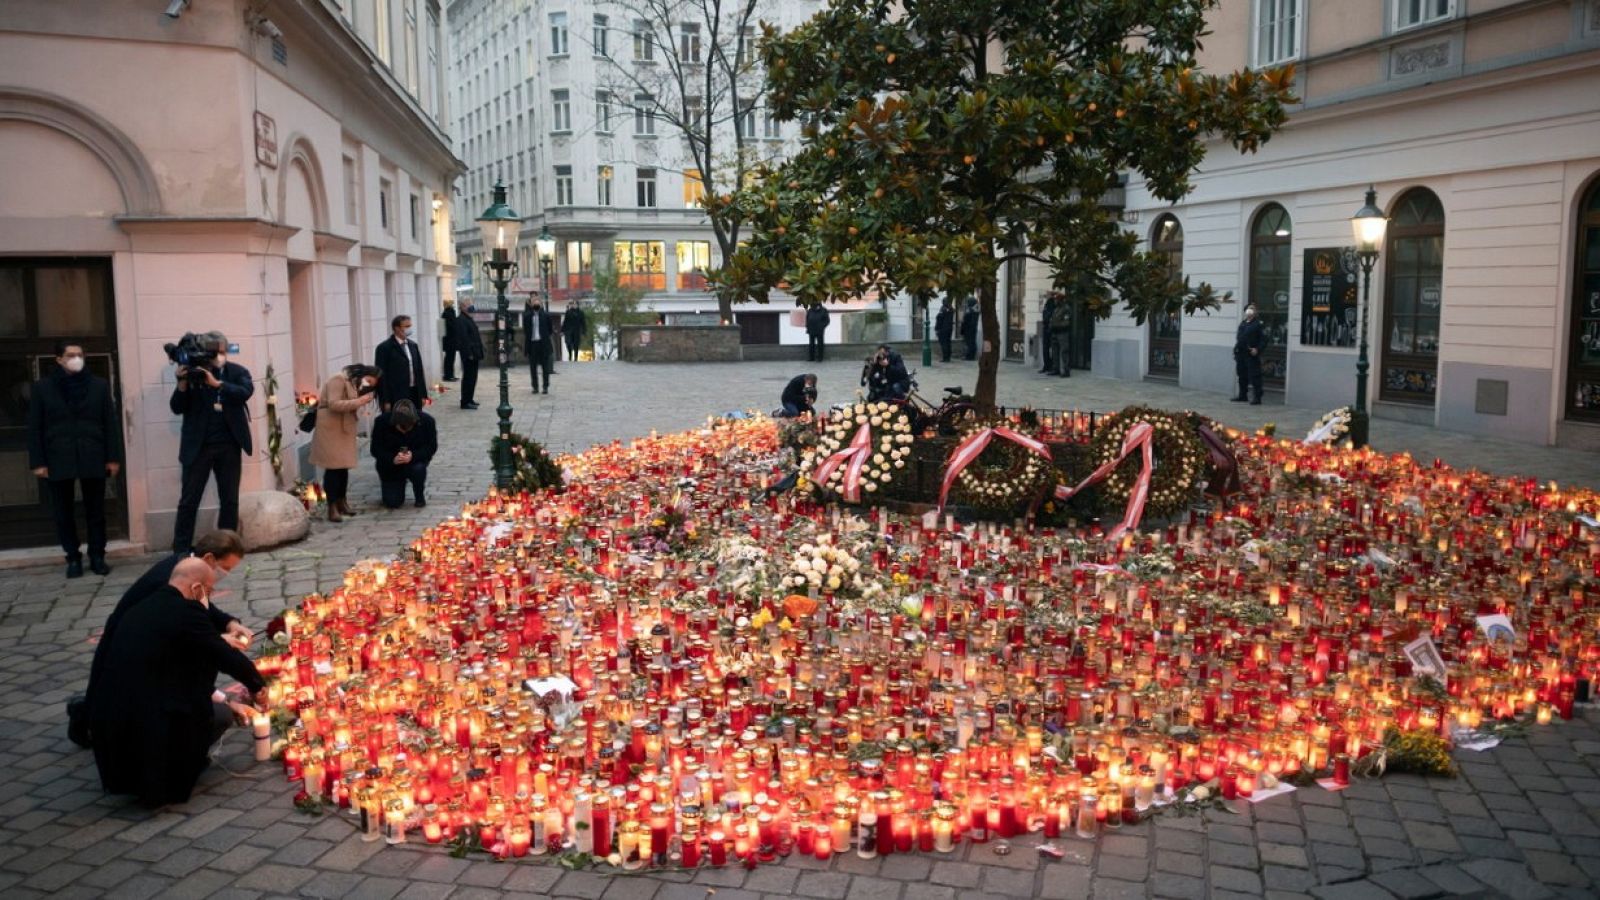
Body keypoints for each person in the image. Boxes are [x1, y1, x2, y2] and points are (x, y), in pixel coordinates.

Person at [90, 558, 266, 808]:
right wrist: (258, 686)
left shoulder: (144, 607)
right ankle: (172, 772)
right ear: (197, 588)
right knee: (218, 715)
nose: (209, 597)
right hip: (149, 721)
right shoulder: (186, 611)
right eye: (209, 590)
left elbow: (174, 669)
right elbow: (222, 654)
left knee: (214, 704)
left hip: (112, 721)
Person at [70, 530, 251, 747]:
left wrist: (229, 623)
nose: (225, 575)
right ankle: (88, 723)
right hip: (127, 646)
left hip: (145, 649)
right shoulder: (169, 580)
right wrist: (221, 643)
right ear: (210, 559)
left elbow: (202, 607)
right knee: (111, 698)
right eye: (226, 569)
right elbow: (180, 629)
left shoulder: (187, 569)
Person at [28, 341, 123, 578]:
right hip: (58, 456)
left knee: (96, 510)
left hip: (93, 454)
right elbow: (35, 427)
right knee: (63, 511)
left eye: (80, 354)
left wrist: (113, 458)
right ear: (59, 359)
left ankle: (97, 556)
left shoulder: (98, 386)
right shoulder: (43, 388)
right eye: (71, 355)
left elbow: (110, 424)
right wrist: (38, 462)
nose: (76, 358)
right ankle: (72, 558)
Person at [169, 331, 253, 554]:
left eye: (223, 351)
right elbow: (177, 407)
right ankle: (181, 547)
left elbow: (245, 391)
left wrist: (218, 384)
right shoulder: (193, 375)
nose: (220, 356)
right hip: (198, 447)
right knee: (189, 500)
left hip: (228, 445)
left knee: (229, 499)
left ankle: (227, 547)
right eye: (216, 352)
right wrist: (182, 384)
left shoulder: (236, 372)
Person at [309, 364, 380, 522]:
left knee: (343, 468)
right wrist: (359, 401)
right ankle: (332, 506)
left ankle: (342, 501)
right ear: (363, 373)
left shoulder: (353, 383)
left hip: (344, 429)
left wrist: (360, 402)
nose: (367, 384)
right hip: (331, 429)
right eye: (368, 380)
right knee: (333, 468)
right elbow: (334, 404)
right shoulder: (338, 380)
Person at [371, 399, 437, 509]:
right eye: (401, 428)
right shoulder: (381, 422)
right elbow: (375, 449)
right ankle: (396, 485)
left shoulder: (427, 421)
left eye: (408, 429)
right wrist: (392, 459)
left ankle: (419, 494)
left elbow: (431, 447)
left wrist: (413, 456)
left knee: (418, 469)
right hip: (391, 466)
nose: (404, 432)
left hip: (415, 462)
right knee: (392, 502)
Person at [374, 315, 428, 412]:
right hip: (396, 395)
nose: (409, 329)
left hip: (414, 392)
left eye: (410, 326)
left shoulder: (413, 346)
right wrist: (385, 400)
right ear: (397, 328)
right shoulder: (384, 348)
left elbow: (419, 371)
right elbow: (382, 376)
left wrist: (423, 395)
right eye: (406, 326)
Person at [1233, 303, 1266, 405]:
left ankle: (1257, 397)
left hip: (1251, 353)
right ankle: (1243, 395)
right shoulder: (1243, 323)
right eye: (1248, 309)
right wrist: (1236, 350)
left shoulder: (1258, 324)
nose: (1250, 310)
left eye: (1252, 309)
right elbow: (1239, 338)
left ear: (1256, 312)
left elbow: (1264, 340)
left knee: (1255, 376)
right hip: (1241, 353)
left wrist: (1257, 349)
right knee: (1241, 375)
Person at [522, 295, 555, 394]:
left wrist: (544, 337)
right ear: (531, 304)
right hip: (532, 344)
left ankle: (545, 386)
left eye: (538, 302)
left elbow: (550, 330)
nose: (536, 304)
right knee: (533, 367)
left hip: (543, 343)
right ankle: (535, 387)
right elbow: (526, 330)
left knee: (545, 367)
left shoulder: (546, 315)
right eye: (534, 302)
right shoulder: (527, 316)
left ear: (540, 304)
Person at [456, 300, 485, 409]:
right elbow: (464, 339)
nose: (471, 306)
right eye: (468, 304)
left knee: (473, 378)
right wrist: (469, 354)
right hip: (469, 354)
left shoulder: (469, 318)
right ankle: (465, 401)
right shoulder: (461, 320)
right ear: (462, 307)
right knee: (468, 378)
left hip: (475, 353)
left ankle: (470, 399)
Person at [1038, 292, 1059, 374]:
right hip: (1046, 328)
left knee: (1050, 349)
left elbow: (1050, 316)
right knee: (1046, 349)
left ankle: (1050, 366)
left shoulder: (1052, 305)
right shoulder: (1047, 304)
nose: (1046, 296)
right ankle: (1047, 366)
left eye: (1048, 295)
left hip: (1050, 328)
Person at [440, 301, 459, 382]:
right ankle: (449, 375)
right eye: (452, 303)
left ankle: (450, 375)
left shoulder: (446, 313)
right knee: (450, 359)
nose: (453, 305)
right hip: (450, 340)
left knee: (449, 358)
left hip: (449, 340)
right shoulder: (449, 313)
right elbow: (453, 326)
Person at [934, 298, 955, 363]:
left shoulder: (942, 309)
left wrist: (937, 328)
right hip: (949, 328)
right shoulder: (951, 309)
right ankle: (948, 357)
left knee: (944, 343)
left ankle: (945, 358)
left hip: (942, 329)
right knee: (948, 343)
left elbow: (939, 319)